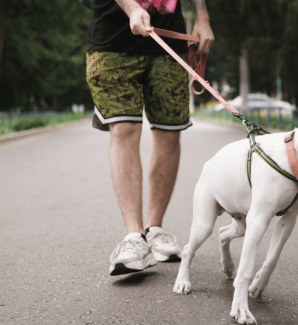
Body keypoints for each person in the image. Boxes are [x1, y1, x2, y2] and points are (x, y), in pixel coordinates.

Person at [85, 0, 214, 275]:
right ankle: (134, 238)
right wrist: (131, 7)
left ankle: (154, 230)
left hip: (170, 41)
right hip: (112, 40)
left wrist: (202, 16)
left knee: (169, 133)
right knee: (124, 130)